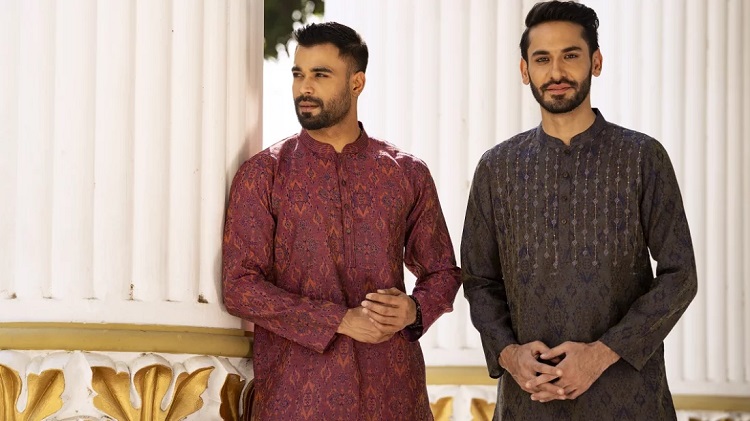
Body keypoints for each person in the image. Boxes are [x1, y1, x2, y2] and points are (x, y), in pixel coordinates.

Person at [461, 1, 698, 419]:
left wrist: (602, 353)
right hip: (529, 402)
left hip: (629, 401)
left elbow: (680, 275)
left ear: (596, 62)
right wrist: (509, 354)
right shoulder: (497, 168)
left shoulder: (642, 157)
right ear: (524, 70)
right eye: (542, 59)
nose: (556, 72)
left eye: (570, 55)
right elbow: (478, 280)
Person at [222, 22, 461, 420]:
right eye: (298, 74)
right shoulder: (265, 174)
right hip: (297, 398)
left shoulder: (405, 173)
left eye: (320, 74)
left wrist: (413, 310)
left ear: (356, 82)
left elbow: (443, 272)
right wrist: (340, 321)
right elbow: (240, 287)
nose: (305, 88)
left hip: (393, 394)